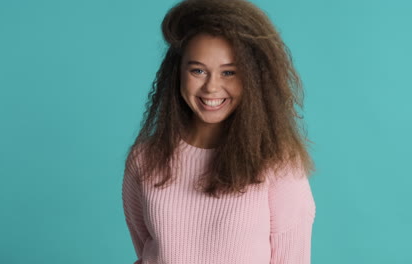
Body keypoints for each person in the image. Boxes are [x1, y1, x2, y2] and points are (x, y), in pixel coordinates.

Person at [122, 0, 317, 263]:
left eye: (229, 72)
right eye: (198, 70)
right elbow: (146, 248)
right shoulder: (144, 159)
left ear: (252, 78)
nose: (211, 87)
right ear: (177, 72)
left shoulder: (278, 164)